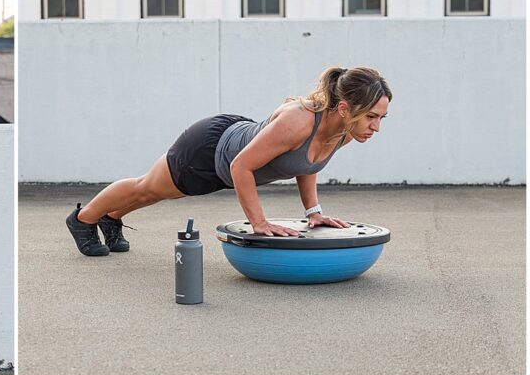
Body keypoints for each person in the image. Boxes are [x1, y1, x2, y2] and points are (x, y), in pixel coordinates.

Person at [66, 66, 392, 256]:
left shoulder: (345, 132)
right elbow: (241, 166)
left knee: (158, 192)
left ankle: (111, 217)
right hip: (210, 150)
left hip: (229, 153)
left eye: (381, 118)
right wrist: (259, 223)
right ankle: (83, 219)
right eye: (372, 117)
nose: (376, 127)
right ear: (346, 108)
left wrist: (313, 213)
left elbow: (307, 164)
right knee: (148, 187)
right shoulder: (300, 120)